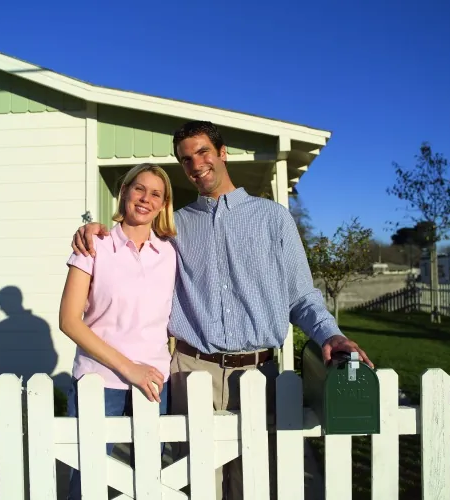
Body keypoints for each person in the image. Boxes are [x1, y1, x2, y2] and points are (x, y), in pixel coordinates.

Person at [71, 121, 373, 500]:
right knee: (197, 486)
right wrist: (92, 230)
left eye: (202, 153)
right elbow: (128, 234)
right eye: (185, 159)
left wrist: (331, 334)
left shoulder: (273, 218)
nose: (196, 164)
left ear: (222, 152)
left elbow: (301, 296)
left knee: (253, 486)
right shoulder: (173, 228)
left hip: (258, 374)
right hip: (193, 373)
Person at [60, 163, 177, 500]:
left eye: (156, 193)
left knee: (150, 482)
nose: (146, 198)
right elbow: (69, 320)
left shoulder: (169, 252)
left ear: (163, 203)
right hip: (99, 381)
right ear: (124, 191)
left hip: (154, 382)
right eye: (139, 188)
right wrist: (130, 369)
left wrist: (143, 373)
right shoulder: (94, 244)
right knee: (89, 482)